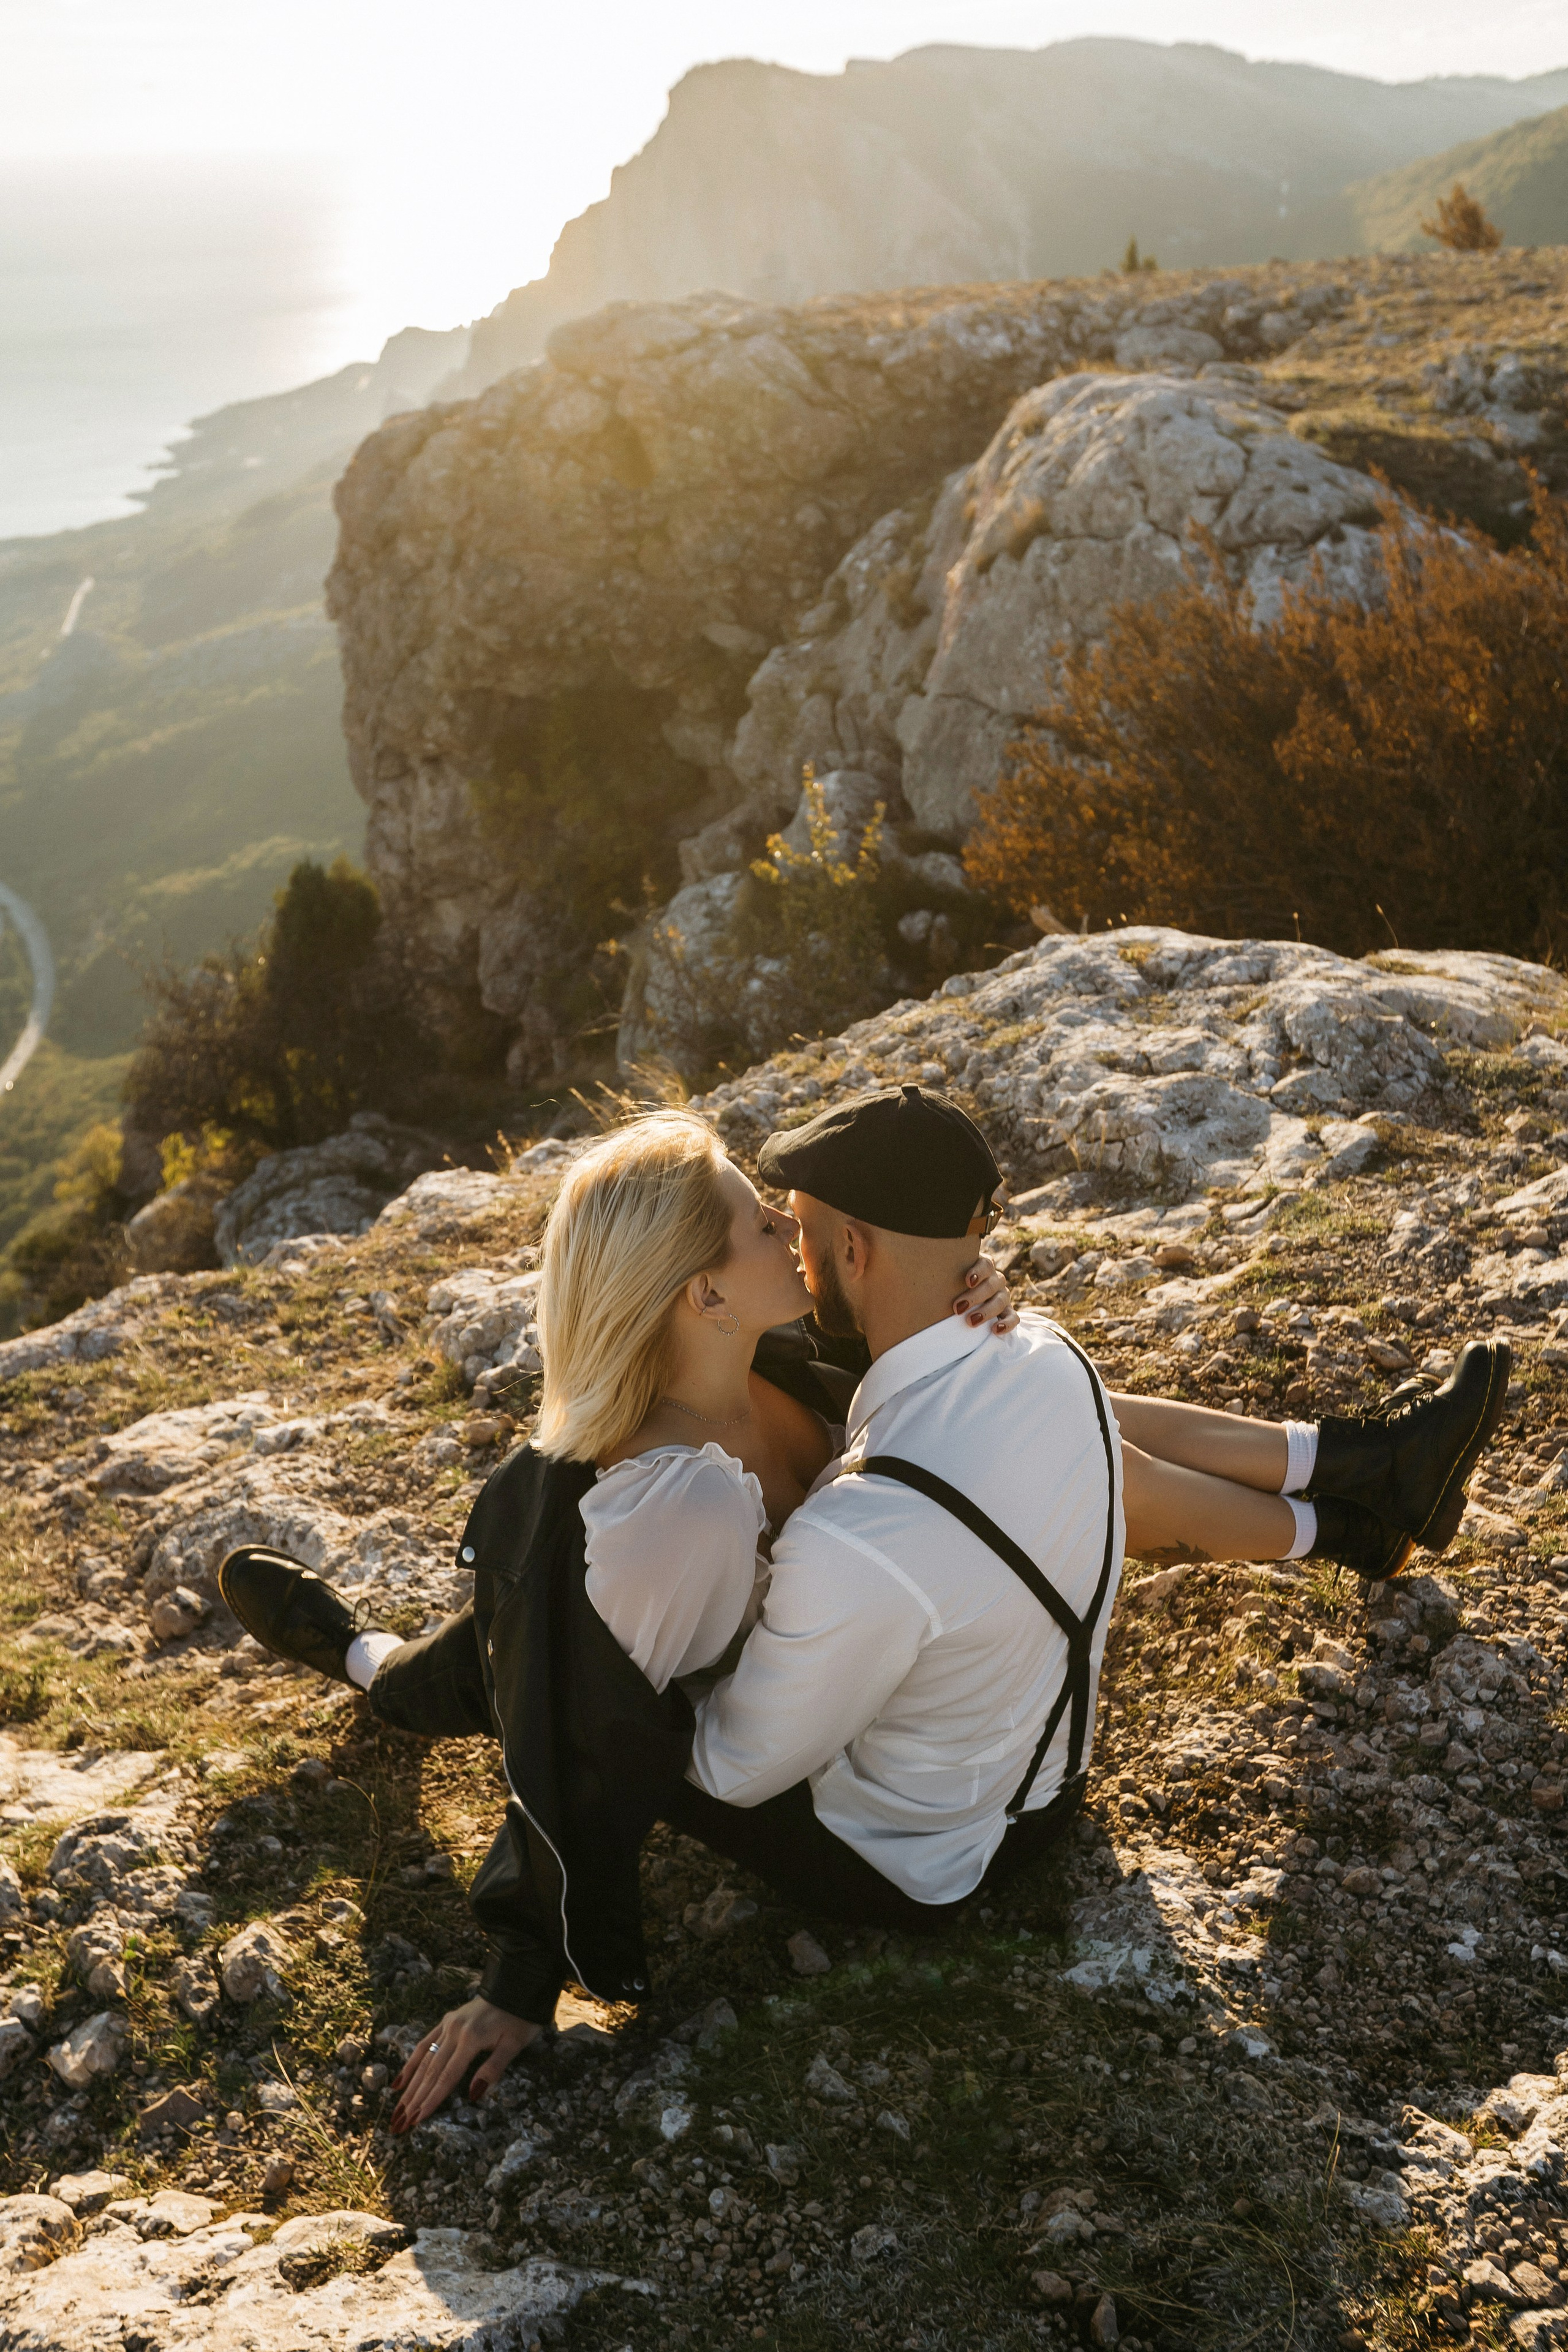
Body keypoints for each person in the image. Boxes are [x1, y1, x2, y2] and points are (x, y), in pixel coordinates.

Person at [217, 1091, 1509, 2132]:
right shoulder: (662, 1519)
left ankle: (1353, 1493)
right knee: (457, 1684)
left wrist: (972, 1321)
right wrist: (517, 1980)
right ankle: (350, 1647)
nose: (792, 1235)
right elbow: (572, 1745)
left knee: (1056, 1431)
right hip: (655, 1656)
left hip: (834, 1673)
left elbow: (949, 1434)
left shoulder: (780, 1354)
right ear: (698, 1296)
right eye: (753, 1227)